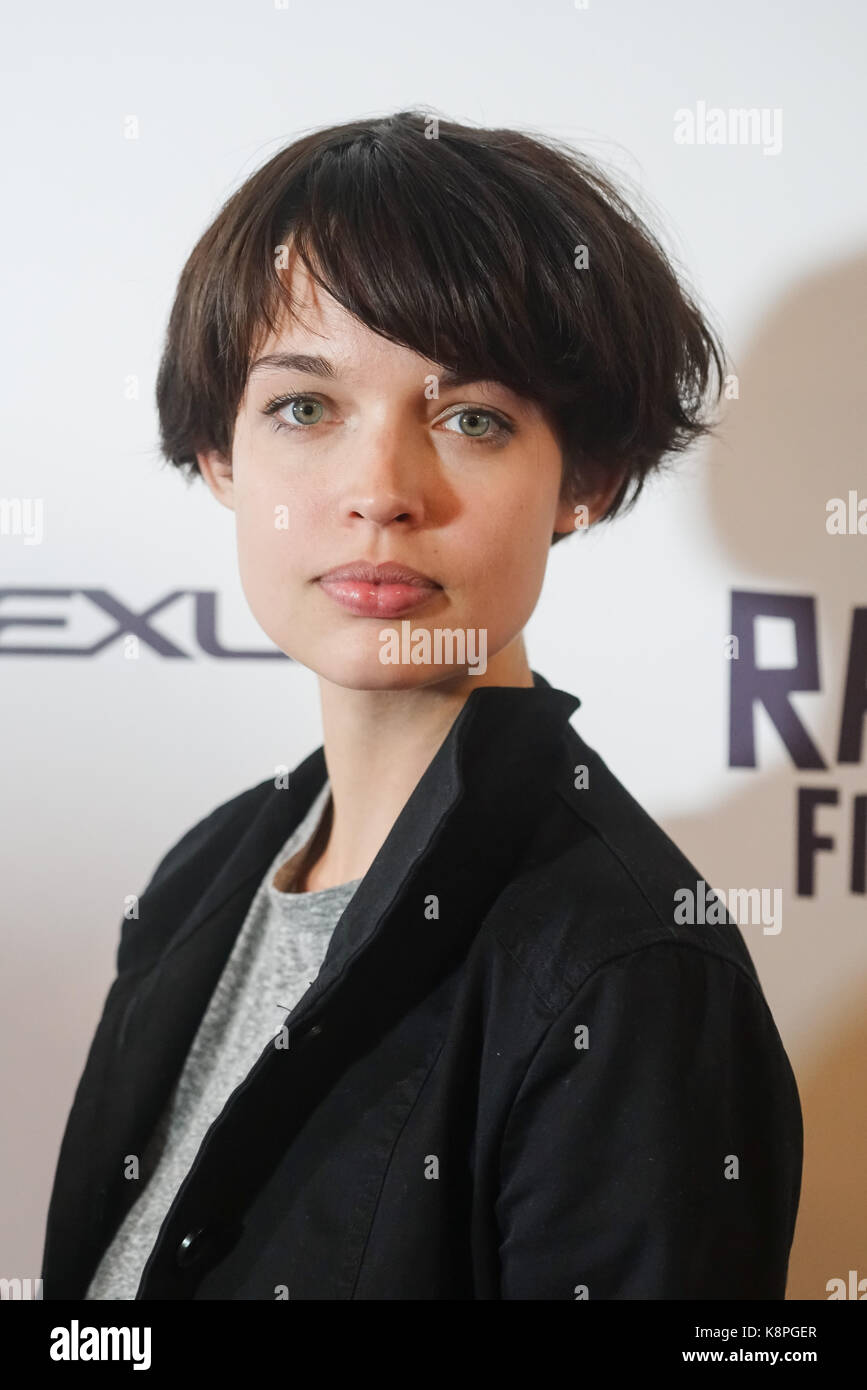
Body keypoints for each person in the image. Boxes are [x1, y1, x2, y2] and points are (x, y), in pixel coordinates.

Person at [41, 109, 802, 1300]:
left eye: (471, 418)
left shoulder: (630, 975)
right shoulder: (199, 878)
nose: (381, 491)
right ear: (220, 456)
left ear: (582, 481)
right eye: (306, 407)